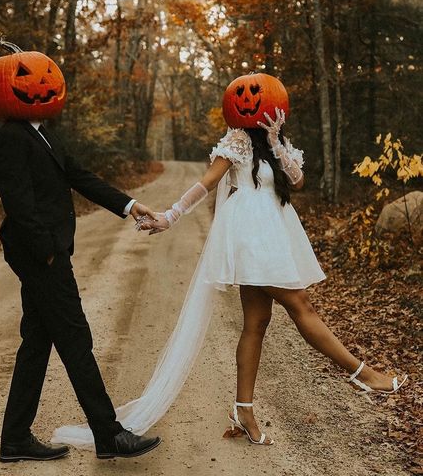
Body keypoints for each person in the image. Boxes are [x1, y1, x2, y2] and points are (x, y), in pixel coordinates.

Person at [136, 107, 407, 445]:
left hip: (273, 233)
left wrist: (275, 141)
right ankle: (362, 374)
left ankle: (243, 409)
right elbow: (207, 183)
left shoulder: (277, 143)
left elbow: (298, 182)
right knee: (300, 304)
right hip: (250, 235)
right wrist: (170, 216)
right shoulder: (236, 140)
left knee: (257, 321)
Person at [0, 118, 161, 462]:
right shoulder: (10, 137)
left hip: (47, 253)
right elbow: (18, 202)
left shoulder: (44, 133)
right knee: (75, 339)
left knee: (37, 342)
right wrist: (47, 251)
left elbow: (80, 176)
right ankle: (109, 434)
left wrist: (128, 205)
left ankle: (15, 439)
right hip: (40, 255)